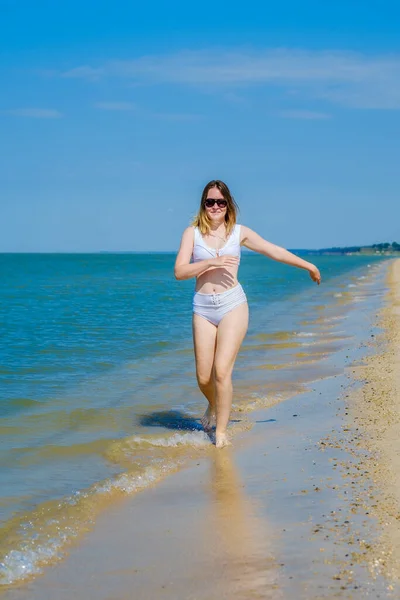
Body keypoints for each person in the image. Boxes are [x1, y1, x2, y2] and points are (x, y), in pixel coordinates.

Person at [174, 180, 321, 448]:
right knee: (204, 377)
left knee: (221, 372)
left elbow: (272, 250)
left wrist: (307, 265)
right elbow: (179, 272)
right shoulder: (191, 234)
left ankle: (220, 434)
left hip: (233, 305)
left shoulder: (238, 232)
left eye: (220, 202)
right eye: (210, 202)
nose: (215, 206)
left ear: (228, 204)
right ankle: (215, 405)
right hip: (203, 308)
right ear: (203, 205)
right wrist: (211, 262)